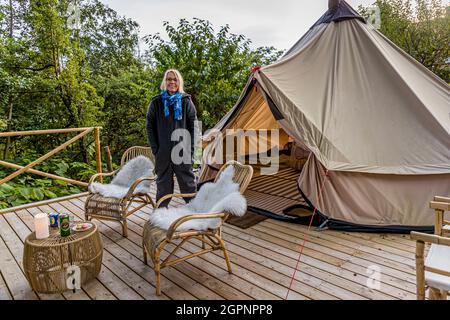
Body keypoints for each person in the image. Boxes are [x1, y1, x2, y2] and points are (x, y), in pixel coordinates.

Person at [146, 69, 197, 207]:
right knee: (163, 186)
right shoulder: (156, 102)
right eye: (169, 79)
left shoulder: (186, 101)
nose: (172, 82)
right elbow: (149, 126)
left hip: (182, 151)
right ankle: (161, 215)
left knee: (188, 185)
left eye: (175, 79)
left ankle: (196, 213)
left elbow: (195, 127)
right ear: (165, 81)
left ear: (179, 82)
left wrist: (191, 150)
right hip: (163, 152)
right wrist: (156, 149)